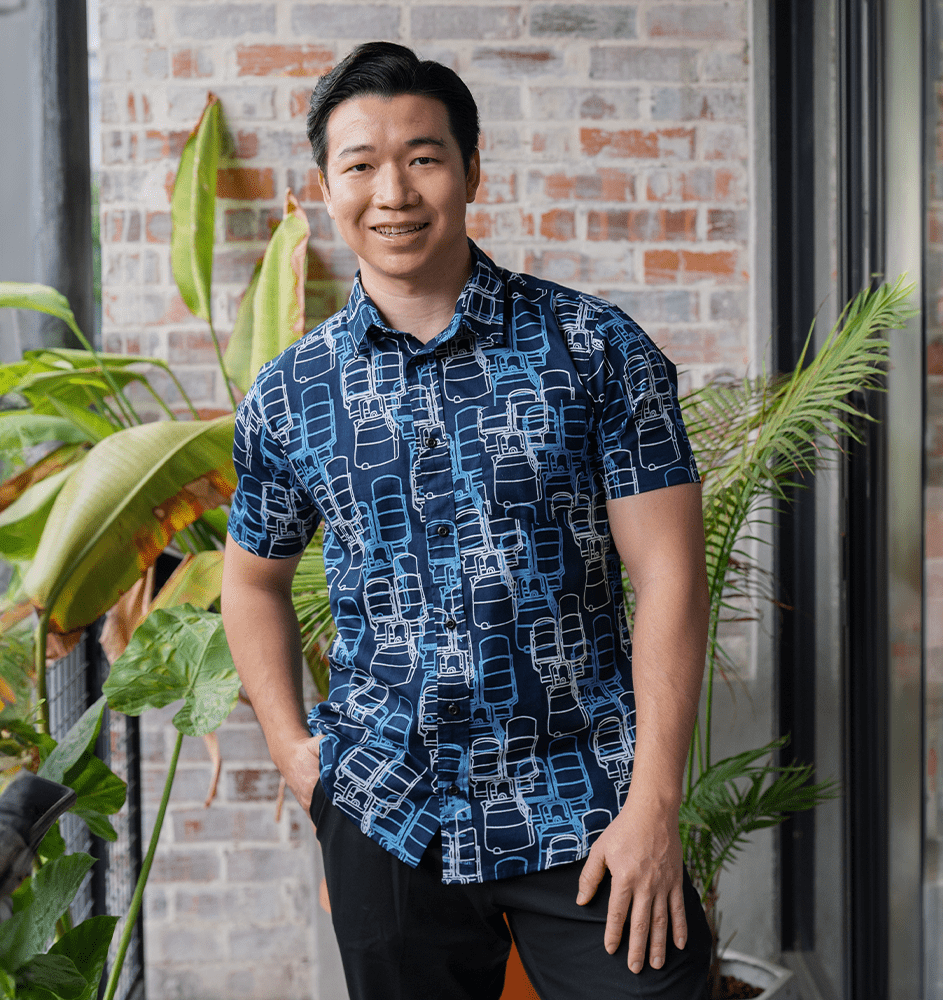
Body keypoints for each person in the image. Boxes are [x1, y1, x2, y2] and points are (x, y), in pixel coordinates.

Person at [220, 40, 712, 1000]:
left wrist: (655, 800)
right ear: (327, 187)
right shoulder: (291, 395)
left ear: (472, 169)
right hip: (387, 808)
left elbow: (671, 576)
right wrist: (295, 753)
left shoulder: (596, 348)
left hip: (586, 799)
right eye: (360, 164)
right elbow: (252, 579)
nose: (392, 190)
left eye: (423, 156)